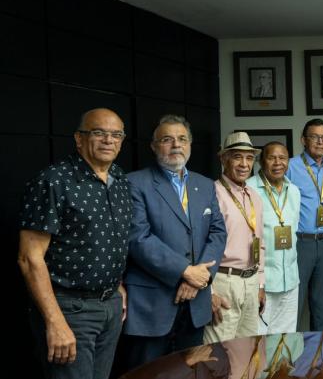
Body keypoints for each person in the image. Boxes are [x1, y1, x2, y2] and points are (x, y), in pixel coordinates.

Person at [19, 108, 132, 379]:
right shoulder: (53, 181)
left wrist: (116, 286)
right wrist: (55, 321)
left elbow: (108, 240)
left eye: (116, 134)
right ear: (79, 138)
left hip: (111, 307)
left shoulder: (119, 179)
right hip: (70, 310)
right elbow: (29, 258)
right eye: (98, 133)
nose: (108, 140)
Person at [123, 114, 227, 369]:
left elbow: (218, 233)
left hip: (195, 305)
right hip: (152, 306)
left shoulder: (204, 185)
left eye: (182, 139)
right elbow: (138, 237)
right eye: (167, 139)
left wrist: (199, 277)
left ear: (190, 144)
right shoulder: (135, 183)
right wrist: (185, 271)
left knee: (191, 373)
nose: (176, 145)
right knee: (148, 373)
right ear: (154, 145)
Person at [205, 131, 266, 343]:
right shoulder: (211, 193)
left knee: (249, 352)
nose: (244, 164)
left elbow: (261, 244)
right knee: (219, 356)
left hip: (250, 282)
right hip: (223, 281)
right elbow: (201, 245)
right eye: (237, 156)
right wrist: (209, 290)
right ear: (223, 159)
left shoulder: (255, 196)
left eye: (249, 158)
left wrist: (260, 284)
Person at [285, 118, 323, 331]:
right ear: (303, 140)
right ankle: (290, 359)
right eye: (315, 137)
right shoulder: (290, 167)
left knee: (322, 304)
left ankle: (321, 358)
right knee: (294, 303)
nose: (320, 141)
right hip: (299, 242)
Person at [247, 141, 301, 334]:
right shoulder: (249, 189)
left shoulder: (294, 191)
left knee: (285, 340)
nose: (278, 162)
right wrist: (258, 283)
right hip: (263, 282)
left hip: (290, 280)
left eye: (283, 158)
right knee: (257, 341)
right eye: (272, 158)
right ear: (261, 161)